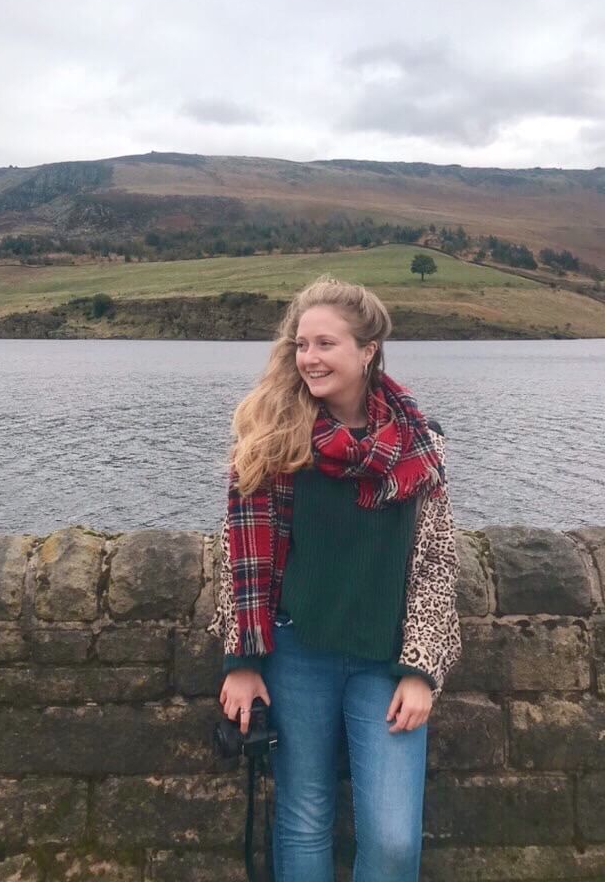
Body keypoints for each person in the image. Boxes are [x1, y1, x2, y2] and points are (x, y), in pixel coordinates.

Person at [207, 274, 462, 882]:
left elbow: (434, 561)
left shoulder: (418, 447)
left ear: (367, 350)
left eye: (326, 344)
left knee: (395, 839)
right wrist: (243, 660)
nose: (309, 358)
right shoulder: (275, 438)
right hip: (297, 653)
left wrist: (422, 670)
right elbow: (240, 560)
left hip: (385, 660)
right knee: (302, 818)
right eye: (301, 344)